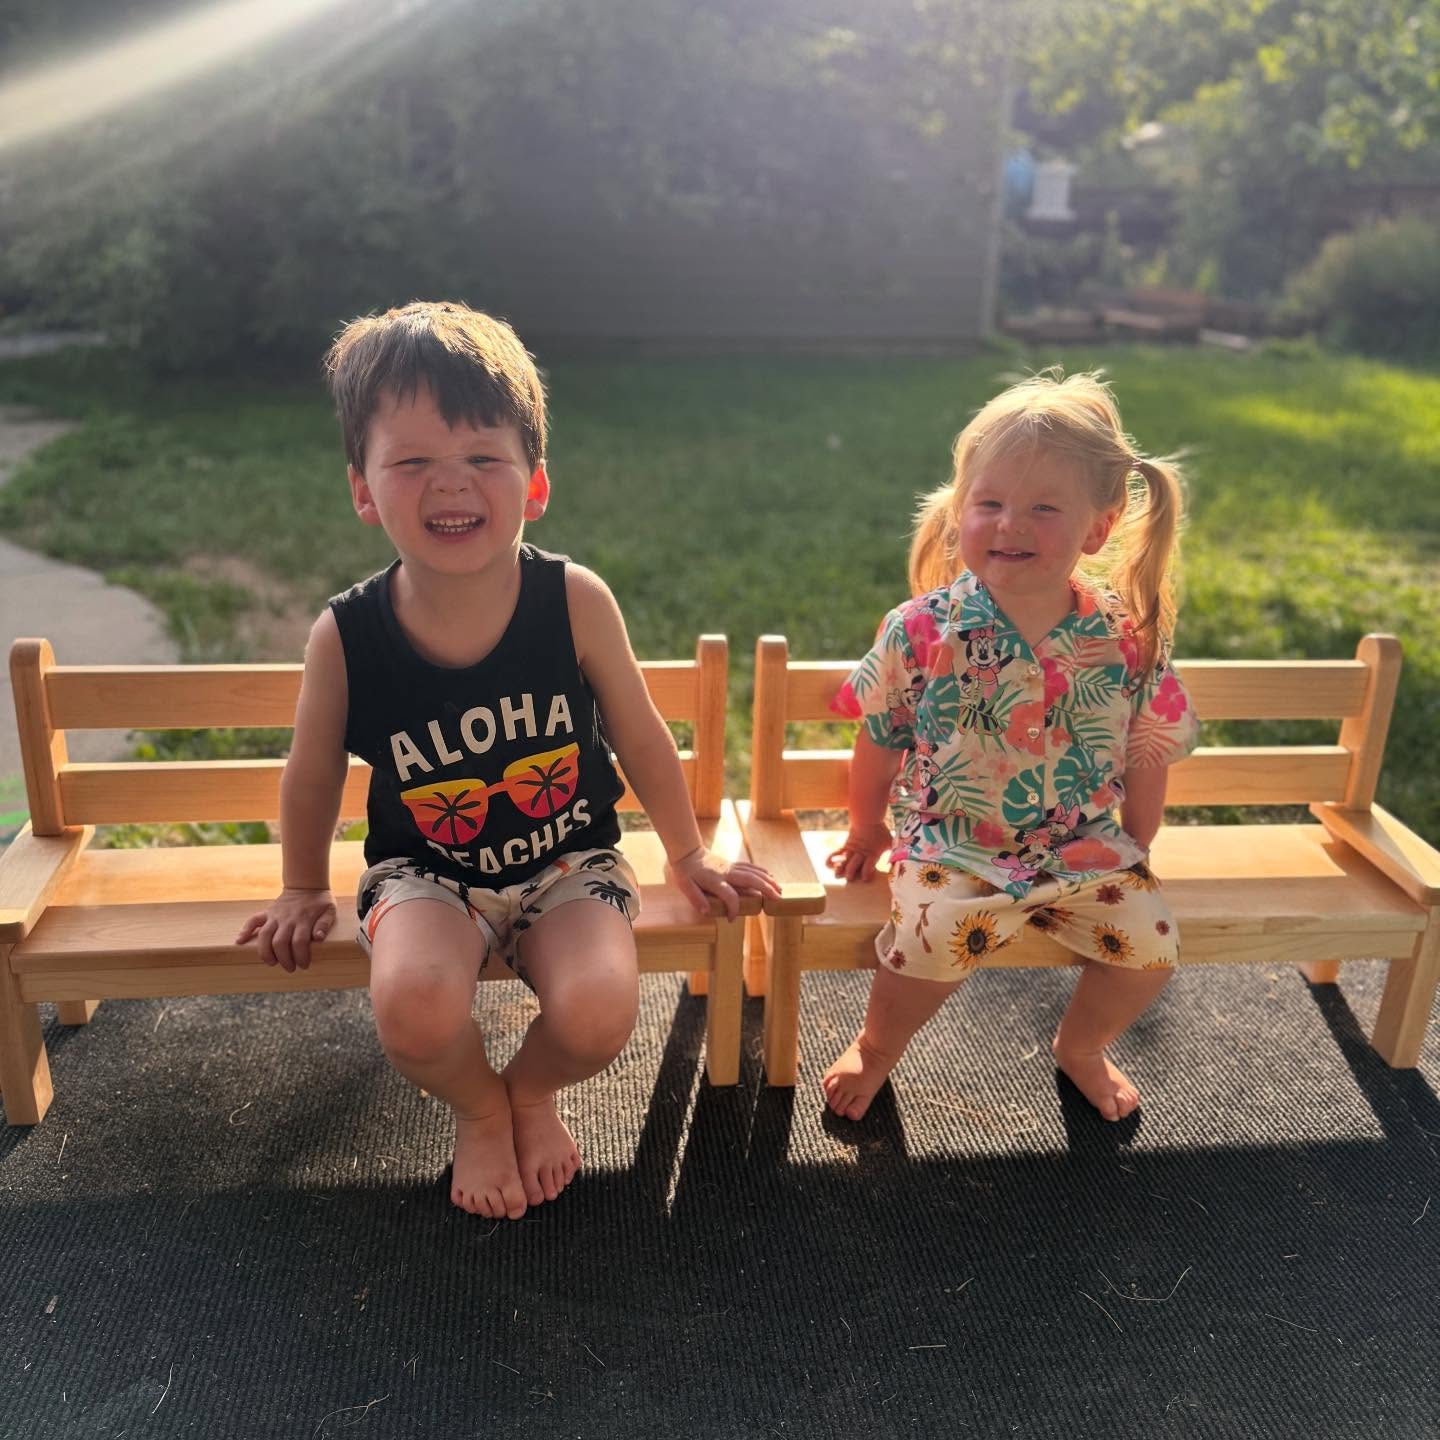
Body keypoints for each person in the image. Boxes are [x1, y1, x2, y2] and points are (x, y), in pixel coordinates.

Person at [236, 301, 777, 1220]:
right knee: (411, 1006)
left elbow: (641, 733)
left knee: (603, 1009)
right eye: (412, 463)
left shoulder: (572, 599)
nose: (452, 485)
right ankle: (479, 1106)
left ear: (534, 486)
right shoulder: (347, 634)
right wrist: (298, 886)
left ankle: (528, 1089)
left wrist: (687, 856)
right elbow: (313, 770)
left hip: (571, 865)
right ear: (364, 490)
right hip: (425, 874)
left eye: (483, 458)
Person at [823, 370, 1199, 1124]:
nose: (1009, 526)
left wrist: (1140, 839)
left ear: (1098, 525)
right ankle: (877, 1046)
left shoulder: (1125, 638)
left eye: (1042, 509)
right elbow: (880, 737)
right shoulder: (923, 629)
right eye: (989, 503)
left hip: (1082, 848)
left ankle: (1082, 1046)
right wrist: (867, 828)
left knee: (1152, 950)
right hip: (953, 846)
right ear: (961, 509)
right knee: (927, 945)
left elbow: (1147, 746)